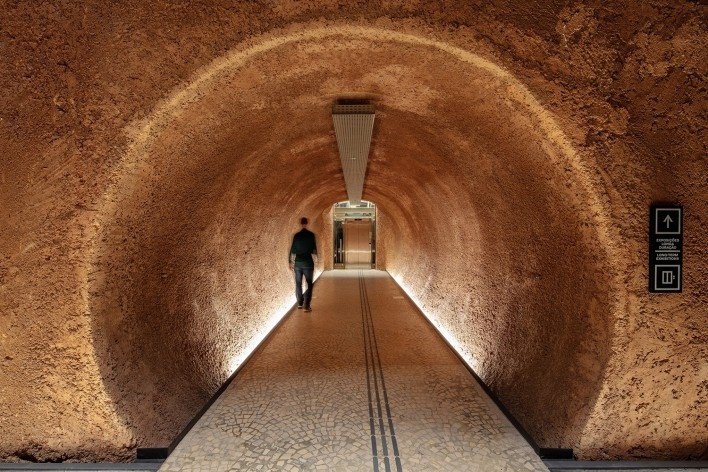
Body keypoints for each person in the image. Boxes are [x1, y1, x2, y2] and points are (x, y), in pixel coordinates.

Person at [289, 217, 318, 312]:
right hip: (308, 264)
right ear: (307, 223)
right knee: (309, 284)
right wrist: (316, 262)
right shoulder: (311, 235)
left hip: (298, 264)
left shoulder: (296, 236)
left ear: (300, 224)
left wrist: (291, 262)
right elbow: (314, 251)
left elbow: (292, 250)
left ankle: (300, 303)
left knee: (298, 284)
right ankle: (307, 305)